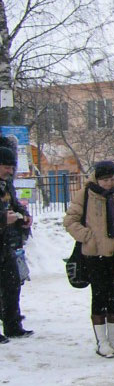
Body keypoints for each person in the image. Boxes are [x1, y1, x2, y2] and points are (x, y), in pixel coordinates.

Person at [63, 160, 114, 357]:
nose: (109, 183)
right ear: (97, 179)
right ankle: (101, 340)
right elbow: (70, 220)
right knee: (99, 295)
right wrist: (87, 237)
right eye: (105, 179)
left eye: (112, 178)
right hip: (94, 253)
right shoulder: (86, 194)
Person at [0, 144, 32, 341]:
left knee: (12, 283)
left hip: (5, 244)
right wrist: (4, 219)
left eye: (12, 167)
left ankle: (13, 325)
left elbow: (15, 206)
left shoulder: (7, 185)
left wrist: (24, 217)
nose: (10, 171)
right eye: (6, 166)